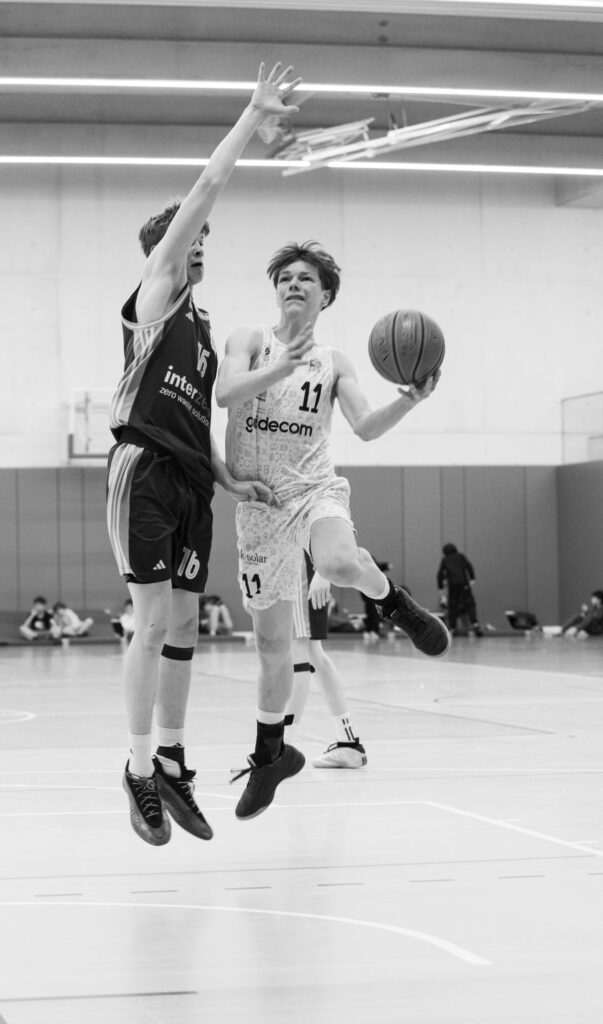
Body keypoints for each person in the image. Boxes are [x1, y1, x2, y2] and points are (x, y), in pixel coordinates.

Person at [105, 62, 300, 847]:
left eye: (201, 247)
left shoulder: (204, 331)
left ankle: (173, 761)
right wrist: (252, 116)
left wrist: (230, 478)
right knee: (152, 621)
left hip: (191, 479)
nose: (199, 251)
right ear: (169, 247)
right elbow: (208, 186)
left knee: (184, 623)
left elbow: (199, 424)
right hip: (144, 470)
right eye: (191, 241)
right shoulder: (156, 294)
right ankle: (136, 769)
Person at [217, 240, 449, 820]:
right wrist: (280, 366)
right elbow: (224, 393)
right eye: (285, 278)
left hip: (313, 490)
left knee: (340, 563)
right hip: (259, 506)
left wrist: (409, 400)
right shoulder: (249, 340)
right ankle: (270, 755)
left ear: (325, 296)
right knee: (272, 647)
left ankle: (395, 603)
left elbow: (365, 426)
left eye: (306, 279)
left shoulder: (335, 362)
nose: (293, 285)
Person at [284, 553, 367, 768]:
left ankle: (282, 747)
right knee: (313, 653)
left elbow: (336, 533)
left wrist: (323, 573)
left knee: (299, 651)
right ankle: (348, 741)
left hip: (301, 568)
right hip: (301, 567)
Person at [436, 542, 484, 637]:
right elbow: (469, 566)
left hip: (453, 585)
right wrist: (472, 578)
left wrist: (440, 588)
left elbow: (440, 574)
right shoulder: (460, 557)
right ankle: (475, 624)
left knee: (452, 606)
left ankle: (453, 628)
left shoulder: (445, 560)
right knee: (469, 603)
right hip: (464, 583)